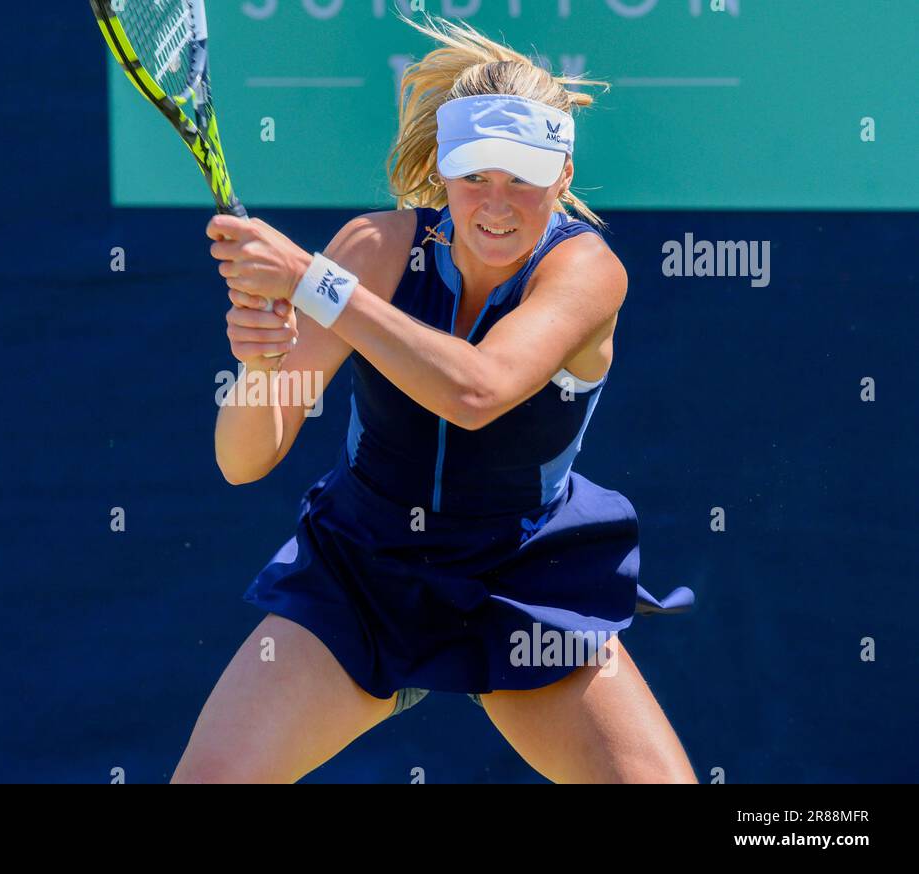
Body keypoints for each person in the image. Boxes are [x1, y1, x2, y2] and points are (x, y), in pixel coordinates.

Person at [173, 16, 696, 784]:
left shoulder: (587, 272)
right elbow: (242, 459)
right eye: (475, 175)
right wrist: (259, 364)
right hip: (363, 572)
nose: (496, 201)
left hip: (523, 580)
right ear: (443, 169)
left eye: (522, 175)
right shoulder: (376, 250)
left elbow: (477, 391)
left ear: (563, 172)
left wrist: (313, 282)